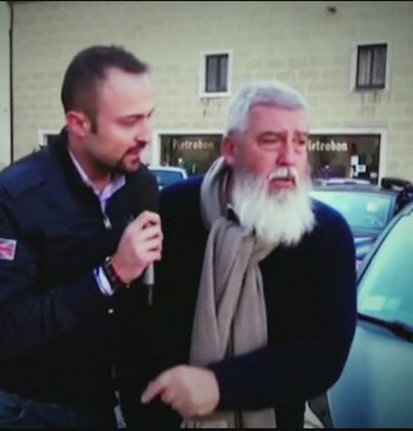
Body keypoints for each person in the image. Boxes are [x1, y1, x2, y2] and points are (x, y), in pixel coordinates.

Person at [119, 81, 357, 428]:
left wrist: (221, 386)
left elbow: (324, 355)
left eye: (300, 142)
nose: (289, 158)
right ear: (230, 149)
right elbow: (132, 330)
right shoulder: (171, 212)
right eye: (271, 141)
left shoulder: (326, 234)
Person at [0, 45, 160, 428]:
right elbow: (5, 329)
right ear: (78, 123)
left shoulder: (140, 185)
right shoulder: (15, 195)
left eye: (149, 117)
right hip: (20, 405)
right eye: (129, 122)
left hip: (96, 401)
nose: (146, 136)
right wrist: (110, 275)